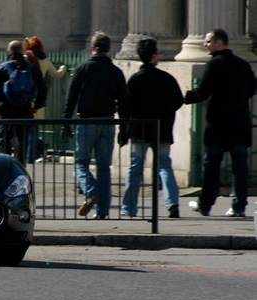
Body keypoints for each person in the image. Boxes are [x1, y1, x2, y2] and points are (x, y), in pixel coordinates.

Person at [185, 29, 257, 217]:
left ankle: (205, 204)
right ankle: (239, 206)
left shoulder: (214, 65)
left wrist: (185, 96)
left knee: (211, 167)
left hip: (218, 124)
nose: (204, 44)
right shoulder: (242, 65)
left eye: (208, 41)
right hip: (239, 123)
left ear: (219, 43)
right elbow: (251, 89)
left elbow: (202, 92)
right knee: (240, 168)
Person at [63, 31, 130, 219]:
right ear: (108, 49)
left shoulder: (82, 68)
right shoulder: (116, 72)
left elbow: (71, 97)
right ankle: (103, 212)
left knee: (80, 163)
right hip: (108, 121)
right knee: (104, 167)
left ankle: (91, 192)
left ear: (93, 48)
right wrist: (125, 128)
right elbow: (124, 102)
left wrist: (65, 120)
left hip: (87, 121)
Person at [121, 38, 184, 219]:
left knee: (135, 168)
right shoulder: (166, 78)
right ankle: (172, 203)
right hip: (161, 129)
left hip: (140, 130)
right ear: (154, 55)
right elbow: (178, 101)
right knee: (164, 165)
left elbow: (128, 107)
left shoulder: (134, 80)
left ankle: (129, 208)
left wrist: (125, 130)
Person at [0, 40, 47, 164]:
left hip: (7, 109)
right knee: (22, 142)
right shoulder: (32, 69)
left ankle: (5, 166)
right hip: (25, 109)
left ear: (9, 52)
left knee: (5, 139)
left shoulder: (1, 68)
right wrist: (37, 106)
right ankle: (20, 169)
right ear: (23, 51)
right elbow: (42, 88)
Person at [23, 36, 68, 163]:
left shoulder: (26, 59)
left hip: (23, 98)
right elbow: (57, 75)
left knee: (24, 130)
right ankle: (31, 156)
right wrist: (64, 67)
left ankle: (28, 154)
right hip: (37, 99)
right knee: (34, 129)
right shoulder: (45, 60)